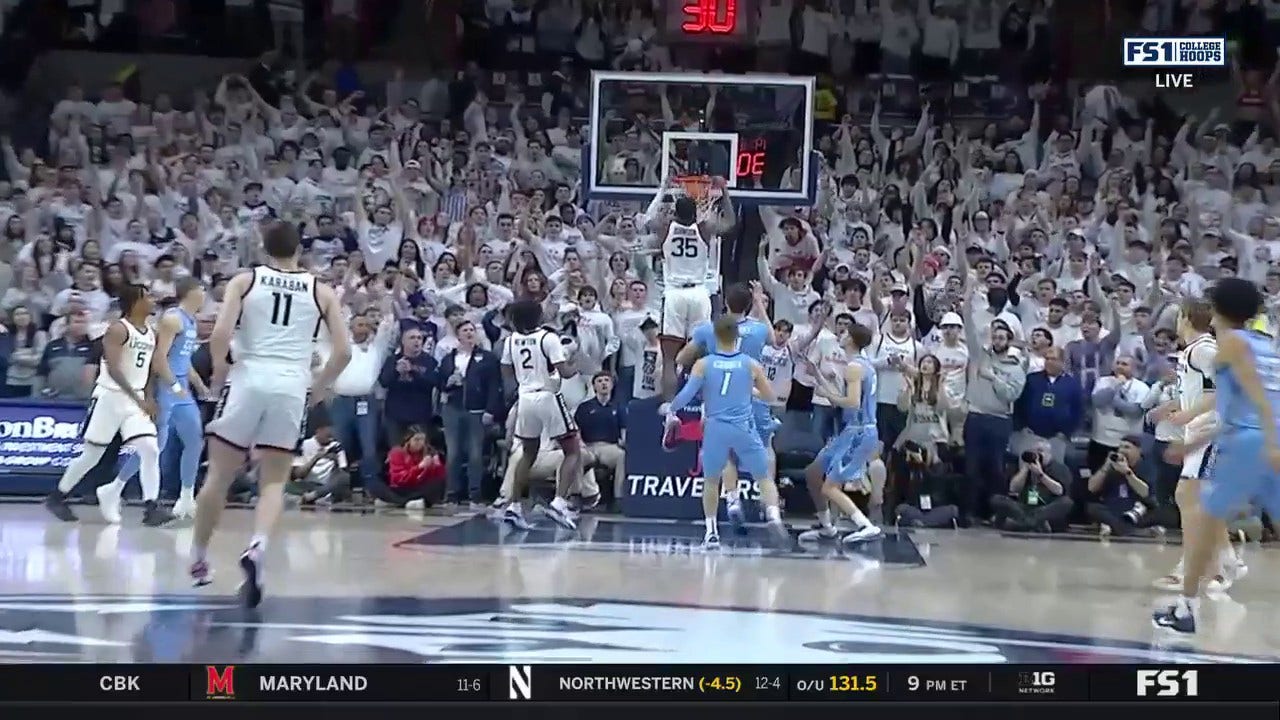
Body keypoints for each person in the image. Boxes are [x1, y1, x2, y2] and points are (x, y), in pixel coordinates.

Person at [191, 222, 351, 607]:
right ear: (301, 250)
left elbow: (220, 333)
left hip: (249, 376)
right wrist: (321, 386)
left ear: (263, 249)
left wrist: (218, 368)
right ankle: (258, 547)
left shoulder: (245, 281)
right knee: (274, 481)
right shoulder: (321, 290)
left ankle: (198, 557)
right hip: (291, 383)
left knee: (219, 474)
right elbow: (343, 352)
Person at [1155, 279, 1280, 635]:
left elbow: (1245, 404)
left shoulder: (1229, 347)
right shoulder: (1266, 347)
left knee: (1204, 523)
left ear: (1216, 311)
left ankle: (1185, 609)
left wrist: (1191, 445)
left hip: (1249, 442)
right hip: (1269, 440)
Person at [44, 283, 173, 527]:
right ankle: (57, 496)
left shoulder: (150, 332)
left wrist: (149, 396)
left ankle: (151, 507)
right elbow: (113, 370)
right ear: (135, 302)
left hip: (134, 398)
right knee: (92, 455)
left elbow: (147, 370)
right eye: (148, 297)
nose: (154, 301)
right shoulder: (117, 329)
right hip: (110, 397)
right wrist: (139, 400)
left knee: (150, 448)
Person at [676, 281, 786, 533]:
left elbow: (681, 357)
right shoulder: (758, 330)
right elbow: (775, 340)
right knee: (763, 452)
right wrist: (759, 301)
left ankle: (733, 499)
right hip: (753, 397)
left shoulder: (710, 329)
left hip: (719, 400)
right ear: (749, 305)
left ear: (725, 302)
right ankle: (771, 510)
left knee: (725, 455)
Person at [1153, 299, 1245, 594]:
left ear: (1186, 318)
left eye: (1178, 315)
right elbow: (1200, 392)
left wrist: (1189, 415)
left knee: (1187, 496)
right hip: (1200, 425)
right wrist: (1169, 407)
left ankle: (1193, 568)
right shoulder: (1192, 350)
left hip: (1211, 427)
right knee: (1200, 500)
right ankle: (1227, 562)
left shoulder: (1205, 348)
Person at [100, 277, 209, 521]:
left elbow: (183, 358)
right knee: (154, 447)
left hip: (180, 388)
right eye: (201, 289)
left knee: (194, 440)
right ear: (190, 292)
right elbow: (159, 358)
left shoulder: (191, 321)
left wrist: (199, 384)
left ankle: (186, 498)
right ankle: (114, 488)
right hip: (166, 388)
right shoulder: (173, 319)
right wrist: (173, 385)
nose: (205, 293)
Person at [662, 314, 775, 548]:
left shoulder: (704, 363)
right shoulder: (750, 363)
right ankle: (773, 515)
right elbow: (770, 396)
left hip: (715, 427)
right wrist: (749, 392)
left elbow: (686, 395)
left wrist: (671, 409)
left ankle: (711, 532)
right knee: (763, 476)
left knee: (711, 481)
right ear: (737, 335)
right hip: (743, 427)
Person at [497, 299, 581, 530]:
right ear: (538, 315)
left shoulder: (511, 340)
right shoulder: (548, 337)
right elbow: (564, 372)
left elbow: (505, 369)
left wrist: (522, 380)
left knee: (528, 453)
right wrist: (575, 362)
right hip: (547, 395)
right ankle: (560, 502)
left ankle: (513, 505)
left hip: (525, 397)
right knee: (573, 450)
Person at [797, 323, 884, 545]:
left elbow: (852, 402)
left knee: (830, 487)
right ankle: (827, 527)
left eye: (845, 332)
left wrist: (826, 394)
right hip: (851, 430)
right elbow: (845, 396)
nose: (841, 335)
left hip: (859, 432)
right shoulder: (859, 365)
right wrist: (817, 374)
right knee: (813, 473)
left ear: (852, 339)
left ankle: (865, 525)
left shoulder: (854, 367)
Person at [652, 178, 719, 397]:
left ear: (675, 214)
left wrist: (663, 190)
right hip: (699, 293)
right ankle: (700, 404)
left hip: (674, 293)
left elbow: (649, 218)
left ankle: (670, 407)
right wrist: (723, 193)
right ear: (695, 213)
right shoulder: (704, 229)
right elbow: (728, 223)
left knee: (670, 359)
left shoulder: (665, 229)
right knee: (700, 355)